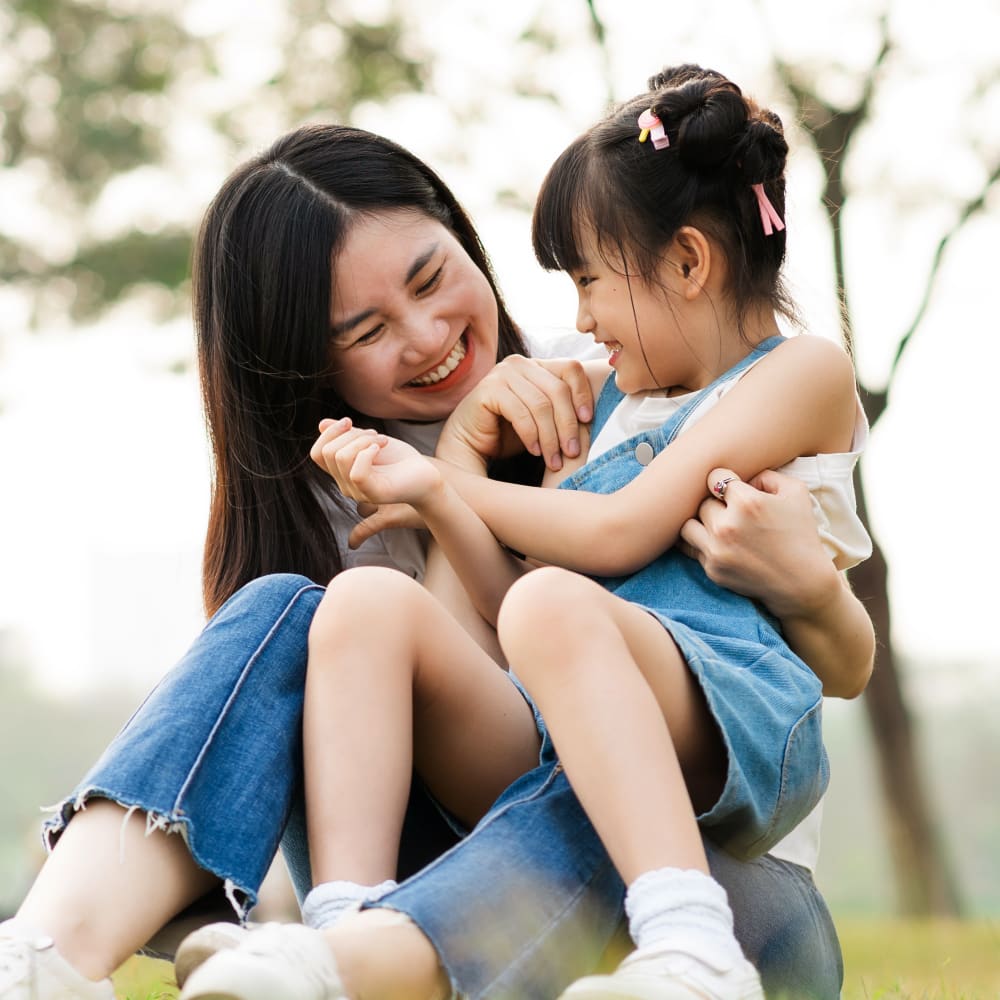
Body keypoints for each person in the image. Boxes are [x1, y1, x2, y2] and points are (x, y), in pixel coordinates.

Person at [0, 118, 872, 1000]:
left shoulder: (612, 378)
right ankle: (48, 954)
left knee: (574, 771)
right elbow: (500, 685)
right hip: (460, 862)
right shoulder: (329, 495)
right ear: (306, 365)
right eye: (367, 330)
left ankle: (349, 965)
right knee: (298, 606)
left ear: (461, 235)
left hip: (715, 881)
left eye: (430, 278)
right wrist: (451, 462)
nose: (425, 338)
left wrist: (815, 594)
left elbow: (812, 656)